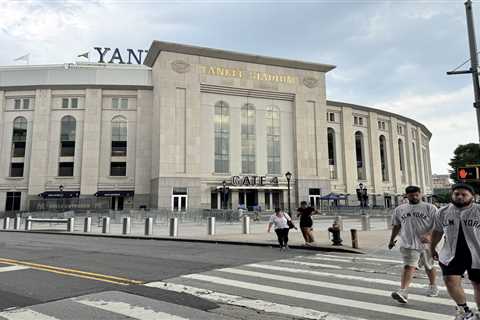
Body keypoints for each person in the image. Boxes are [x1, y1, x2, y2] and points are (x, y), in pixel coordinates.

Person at [430, 183, 480, 320]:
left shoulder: (478, 211)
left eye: (464, 194)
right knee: (450, 280)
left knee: (477, 283)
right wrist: (432, 247)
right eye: (456, 194)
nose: (459, 197)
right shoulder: (442, 212)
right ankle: (464, 310)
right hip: (451, 253)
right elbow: (437, 232)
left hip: (477, 253)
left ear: (473, 197)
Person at [388, 185, 439, 304]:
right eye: (411, 195)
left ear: (421, 194)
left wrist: (429, 235)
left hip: (426, 244)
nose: (414, 197)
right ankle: (403, 291)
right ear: (406, 196)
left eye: (416, 195)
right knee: (408, 266)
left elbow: (438, 225)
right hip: (408, 243)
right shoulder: (400, 209)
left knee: (429, 266)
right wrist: (391, 240)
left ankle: (433, 286)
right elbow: (396, 225)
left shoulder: (430, 208)